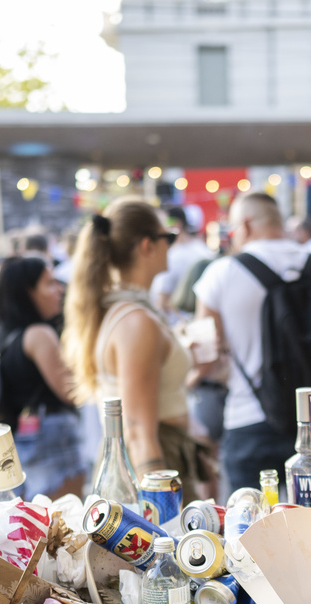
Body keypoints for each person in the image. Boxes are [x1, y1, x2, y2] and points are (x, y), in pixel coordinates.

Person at [193, 192, 311, 491]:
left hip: (249, 417)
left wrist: (200, 375)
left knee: (249, 529)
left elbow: (203, 355)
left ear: (244, 225)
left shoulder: (220, 274)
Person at [64, 199, 208, 495]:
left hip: (152, 461)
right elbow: (139, 432)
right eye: (166, 237)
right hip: (152, 468)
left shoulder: (127, 311)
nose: (172, 244)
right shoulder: (135, 321)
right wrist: (162, 515)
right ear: (147, 246)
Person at [0, 257, 88, 499]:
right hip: (52, 436)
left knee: (34, 525)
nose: (59, 289)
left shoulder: (3, 333)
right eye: (49, 283)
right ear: (28, 293)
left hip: (24, 433)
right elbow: (70, 392)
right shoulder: (40, 335)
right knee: (65, 520)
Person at [150, 206, 212, 314]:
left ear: (176, 224)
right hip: (199, 319)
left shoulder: (171, 256)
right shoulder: (204, 249)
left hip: (176, 323)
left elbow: (161, 302)